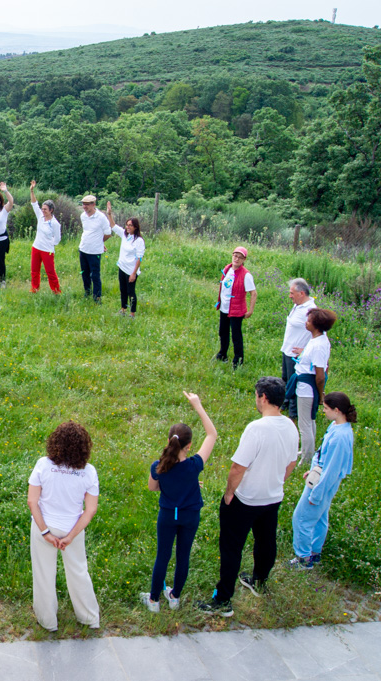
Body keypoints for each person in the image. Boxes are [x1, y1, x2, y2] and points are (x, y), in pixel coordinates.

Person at [199, 377, 298, 616]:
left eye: (256, 395)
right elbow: (292, 462)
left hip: (246, 499)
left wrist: (229, 493)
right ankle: (259, 581)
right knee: (266, 542)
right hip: (273, 497)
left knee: (231, 548)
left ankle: (223, 600)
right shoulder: (290, 426)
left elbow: (238, 468)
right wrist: (277, 481)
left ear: (263, 397)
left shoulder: (257, 428)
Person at [141, 391, 217, 612]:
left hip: (167, 516)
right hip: (190, 516)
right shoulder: (195, 465)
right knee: (184, 556)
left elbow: (153, 487)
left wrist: (174, 485)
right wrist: (198, 405)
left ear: (168, 441)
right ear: (189, 445)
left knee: (162, 556)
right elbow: (212, 434)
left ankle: (154, 600)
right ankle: (174, 598)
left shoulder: (158, 466)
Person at [27, 421, 100, 632]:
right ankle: (90, 618)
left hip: (45, 526)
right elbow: (90, 510)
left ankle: (48, 621)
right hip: (73, 529)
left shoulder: (43, 464)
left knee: (44, 574)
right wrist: (71, 536)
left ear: (55, 442)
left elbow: (32, 501)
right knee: (79, 572)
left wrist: (45, 532)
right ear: (84, 446)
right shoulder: (89, 471)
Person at [289, 392, 356, 569]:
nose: (323, 411)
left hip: (322, 484)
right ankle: (314, 552)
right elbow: (323, 455)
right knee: (320, 518)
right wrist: (313, 470)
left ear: (337, 410)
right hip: (319, 477)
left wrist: (316, 494)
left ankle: (303, 559)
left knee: (301, 518)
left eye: (326, 408)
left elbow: (332, 470)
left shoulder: (340, 437)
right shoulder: (337, 426)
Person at [286, 308, 336, 464]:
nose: (306, 323)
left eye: (308, 321)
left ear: (316, 325)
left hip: (307, 388)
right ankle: (308, 450)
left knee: (305, 424)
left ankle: (307, 459)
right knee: (310, 420)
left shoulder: (319, 345)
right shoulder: (316, 340)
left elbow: (320, 376)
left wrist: (321, 394)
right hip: (306, 384)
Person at [214, 246, 257, 368]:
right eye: (235, 256)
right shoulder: (227, 269)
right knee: (223, 332)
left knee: (236, 335)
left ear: (244, 260)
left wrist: (250, 310)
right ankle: (222, 355)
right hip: (224, 307)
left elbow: (253, 293)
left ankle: (238, 361)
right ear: (232, 255)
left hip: (236, 309)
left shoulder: (246, 275)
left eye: (240, 257)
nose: (237, 259)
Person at [280, 278, 316, 413]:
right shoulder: (298, 305)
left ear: (301, 293)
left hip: (296, 355)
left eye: (292, 293)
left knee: (293, 382)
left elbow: (319, 334)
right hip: (287, 350)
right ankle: (284, 403)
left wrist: (305, 350)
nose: (290, 296)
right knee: (285, 380)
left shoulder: (311, 311)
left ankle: (293, 413)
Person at [105, 204, 146, 317]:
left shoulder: (139, 241)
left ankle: (132, 313)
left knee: (130, 292)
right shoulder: (124, 235)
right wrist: (109, 214)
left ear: (135, 227)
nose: (128, 227)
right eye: (127, 225)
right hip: (122, 267)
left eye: (130, 225)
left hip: (131, 270)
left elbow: (139, 258)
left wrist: (133, 273)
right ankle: (123, 309)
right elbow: (113, 226)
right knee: (123, 289)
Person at [77, 195, 112, 302]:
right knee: (84, 273)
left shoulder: (101, 217)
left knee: (95, 275)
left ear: (93, 204)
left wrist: (100, 242)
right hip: (83, 248)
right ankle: (87, 292)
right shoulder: (83, 216)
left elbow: (108, 233)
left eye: (87, 204)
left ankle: (97, 297)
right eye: (83, 204)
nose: (84, 207)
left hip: (94, 251)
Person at [29, 183, 61, 294]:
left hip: (47, 250)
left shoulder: (55, 223)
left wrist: (50, 244)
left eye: (45, 209)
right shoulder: (40, 217)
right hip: (36, 247)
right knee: (34, 270)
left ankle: (56, 290)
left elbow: (57, 239)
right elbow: (34, 204)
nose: (43, 211)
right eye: (42, 209)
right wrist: (32, 191)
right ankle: (34, 288)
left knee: (50, 272)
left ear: (51, 210)